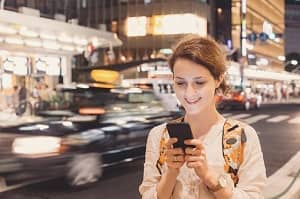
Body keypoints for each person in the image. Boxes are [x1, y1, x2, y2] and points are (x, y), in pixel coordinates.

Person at [139, 35, 266, 199]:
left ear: (218, 79)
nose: (189, 93)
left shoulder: (242, 136)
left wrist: (210, 178)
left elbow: (253, 195)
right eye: (180, 83)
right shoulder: (159, 136)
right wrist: (170, 173)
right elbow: (147, 195)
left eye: (199, 83)